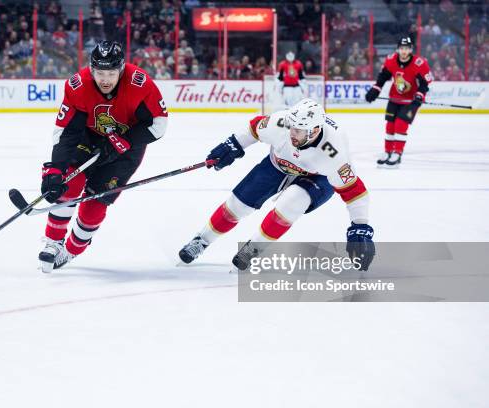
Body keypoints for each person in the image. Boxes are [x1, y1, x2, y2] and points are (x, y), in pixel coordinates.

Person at [178, 99, 375, 271]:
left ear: (314, 131)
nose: (291, 133)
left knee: (291, 204)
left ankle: (254, 247)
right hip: (278, 164)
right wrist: (232, 146)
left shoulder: (335, 154)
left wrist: (360, 226)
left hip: (317, 177)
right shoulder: (281, 123)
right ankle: (201, 240)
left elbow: (353, 190)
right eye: (292, 128)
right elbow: (253, 128)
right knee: (237, 206)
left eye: (298, 130)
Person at [38, 40, 168, 273]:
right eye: (99, 73)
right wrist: (56, 169)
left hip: (128, 147)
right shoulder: (78, 86)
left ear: (120, 70)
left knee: (94, 207)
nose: (105, 79)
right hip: (88, 137)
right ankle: (53, 242)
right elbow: (67, 133)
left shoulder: (140, 84)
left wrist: (124, 140)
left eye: (110, 73)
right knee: (68, 182)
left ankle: (71, 250)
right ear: (92, 69)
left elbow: (158, 125)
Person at [365, 36, 432, 168]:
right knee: (390, 126)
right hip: (394, 98)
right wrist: (375, 89)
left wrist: (419, 95)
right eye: (402, 48)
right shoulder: (391, 60)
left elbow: (425, 83)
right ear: (398, 49)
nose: (404, 51)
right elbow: (383, 76)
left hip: (411, 102)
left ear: (410, 50)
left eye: (406, 49)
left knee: (400, 125)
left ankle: (397, 153)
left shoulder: (419, 63)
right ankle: (388, 151)